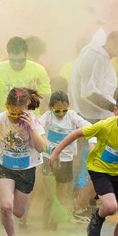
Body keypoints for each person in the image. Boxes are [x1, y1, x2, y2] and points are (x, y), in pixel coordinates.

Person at [49, 90, 118, 236]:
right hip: (99, 169)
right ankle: (98, 216)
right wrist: (56, 151)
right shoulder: (105, 125)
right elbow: (76, 134)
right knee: (110, 207)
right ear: (116, 111)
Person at [0, 87, 49, 236]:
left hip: (27, 169)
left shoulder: (33, 120)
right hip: (5, 167)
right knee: (6, 206)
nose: (14, 116)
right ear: (7, 105)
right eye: (11, 112)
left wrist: (31, 128)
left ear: (26, 106)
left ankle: (7, 214)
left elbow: (41, 147)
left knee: (18, 212)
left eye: (18, 113)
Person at [40, 91, 90, 227]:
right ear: (51, 107)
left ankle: (54, 225)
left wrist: (92, 139)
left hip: (66, 161)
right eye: (57, 110)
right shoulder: (48, 116)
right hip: (48, 159)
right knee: (50, 197)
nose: (61, 113)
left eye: (64, 110)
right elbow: (37, 126)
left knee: (61, 198)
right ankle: (45, 225)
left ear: (68, 107)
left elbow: (87, 126)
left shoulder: (72, 116)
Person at [68, 30, 118, 122]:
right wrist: (115, 108)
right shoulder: (96, 57)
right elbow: (89, 93)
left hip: (95, 116)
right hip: (88, 117)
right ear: (110, 42)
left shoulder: (103, 57)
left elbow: (101, 86)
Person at [0, 37, 51, 116]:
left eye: (21, 60)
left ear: (26, 55)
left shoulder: (39, 70)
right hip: (5, 120)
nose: (17, 64)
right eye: (13, 60)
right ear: (8, 55)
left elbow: (46, 99)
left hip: (30, 120)